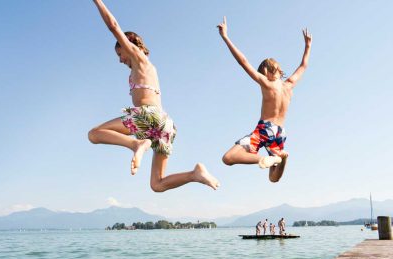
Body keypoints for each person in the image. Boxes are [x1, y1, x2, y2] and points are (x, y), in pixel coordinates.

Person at [89, 0, 220, 192]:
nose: (120, 59)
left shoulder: (139, 58)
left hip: (148, 117)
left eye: (120, 53)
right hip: (165, 125)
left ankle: (136, 143)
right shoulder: (147, 68)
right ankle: (195, 174)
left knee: (94, 134)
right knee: (157, 184)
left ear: (130, 45)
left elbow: (113, 26)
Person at [217, 17, 312, 182]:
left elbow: (243, 62)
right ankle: (281, 159)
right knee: (273, 178)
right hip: (280, 132)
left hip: (264, 130)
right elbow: (303, 66)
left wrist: (225, 37)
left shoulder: (267, 83)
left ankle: (263, 159)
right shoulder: (289, 85)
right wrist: (308, 46)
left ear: (267, 70)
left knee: (229, 157)